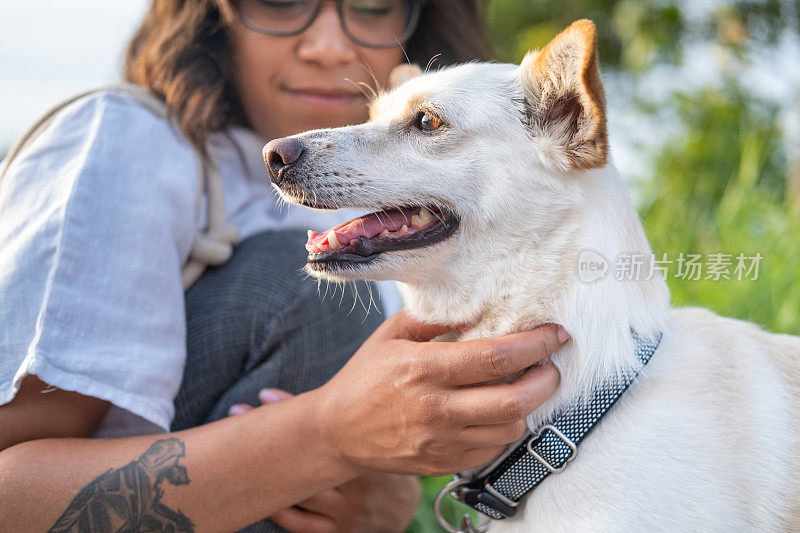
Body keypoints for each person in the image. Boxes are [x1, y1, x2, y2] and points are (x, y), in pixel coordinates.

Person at [0, 1, 569, 531]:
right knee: (299, 291)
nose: (327, 46)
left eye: (370, 7)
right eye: (282, 0)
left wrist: (387, 501)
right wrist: (325, 437)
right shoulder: (125, 142)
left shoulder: (384, 209)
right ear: (212, 15)